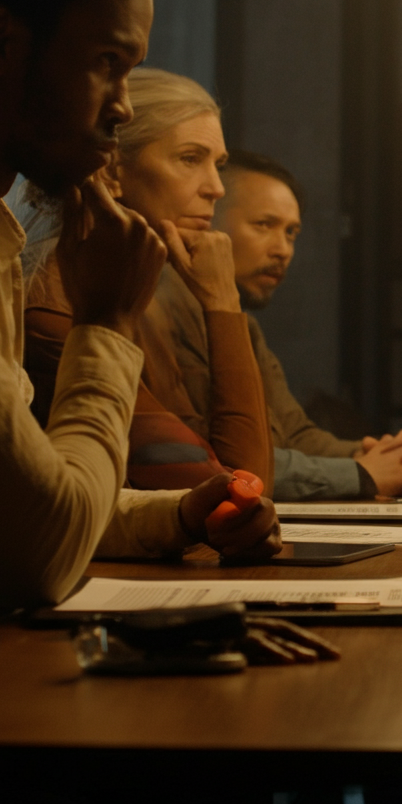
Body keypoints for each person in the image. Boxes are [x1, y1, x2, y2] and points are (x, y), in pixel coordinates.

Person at [0, 0, 279, 611]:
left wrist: (179, 516)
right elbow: (36, 552)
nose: (123, 106)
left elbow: (26, 502)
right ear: (0, 43)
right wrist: (104, 322)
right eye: (108, 62)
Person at [23, 67, 276, 492]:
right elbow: (239, 490)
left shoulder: (143, 298)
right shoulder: (57, 305)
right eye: (190, 159)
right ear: (111, 173)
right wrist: (222, 301)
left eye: (218, 165)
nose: (216, 188)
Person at [159, 148, 402, 499]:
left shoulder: (244, 327)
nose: (283, 250)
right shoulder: (160, 308)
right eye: (264, 225)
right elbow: (218, 463)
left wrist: (388, 459)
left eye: (291, 232)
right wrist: (362, 473)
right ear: (207, 219)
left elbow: (294, 434)